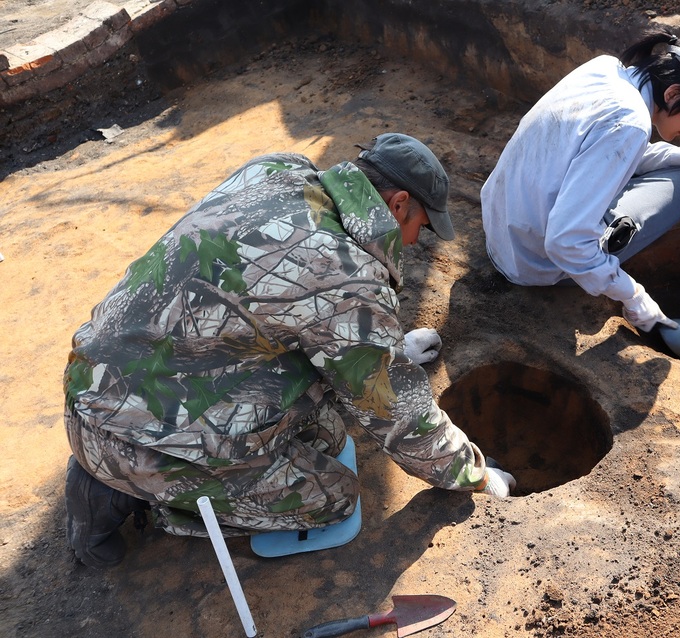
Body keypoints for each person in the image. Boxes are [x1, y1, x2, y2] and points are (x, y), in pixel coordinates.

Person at [63, 133, 516, 569]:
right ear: (398, 204)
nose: (415, 241)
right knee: (331, 497)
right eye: (422, 226)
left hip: (114, 374)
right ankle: (122, 490)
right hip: (123, 430)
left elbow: (278, 305)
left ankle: (144, 470)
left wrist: (383, 346)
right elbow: (403, 418)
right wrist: (476, 476)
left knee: (327, 436)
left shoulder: (280, 169)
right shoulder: (344, 276)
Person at [481, 30, 680, 332]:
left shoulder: (605, 69)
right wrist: (632, 294)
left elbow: (611, 153)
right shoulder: (631, 123)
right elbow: (564, 241)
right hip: (534, 261)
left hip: (503, 230)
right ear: (673, 94)